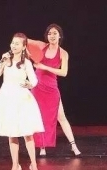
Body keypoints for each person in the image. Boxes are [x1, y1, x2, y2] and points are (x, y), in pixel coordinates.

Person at [0, 33, 44, 170]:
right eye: (13, 43)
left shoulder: (26, 63)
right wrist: (2, 62)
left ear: (23, 47)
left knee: (27, 133)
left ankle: (34, 165)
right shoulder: (6, 60)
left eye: (17, 43)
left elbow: (34, 80)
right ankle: (15, 166)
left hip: (22, 98)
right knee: (12, 133)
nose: (14, 45)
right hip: (7, 98)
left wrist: (30, 84)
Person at [28, 24, 81, 157]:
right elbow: (25, 40)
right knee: (39, 116)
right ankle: (42, 147)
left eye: (55, 33)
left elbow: (64, 72)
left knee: (61, 117)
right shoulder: (41, 46)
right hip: (37, 87)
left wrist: (44, 67)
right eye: (49, 33)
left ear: (60, 36)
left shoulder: (63, 53)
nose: (52, 36)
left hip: (51, 88)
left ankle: (73, 145)